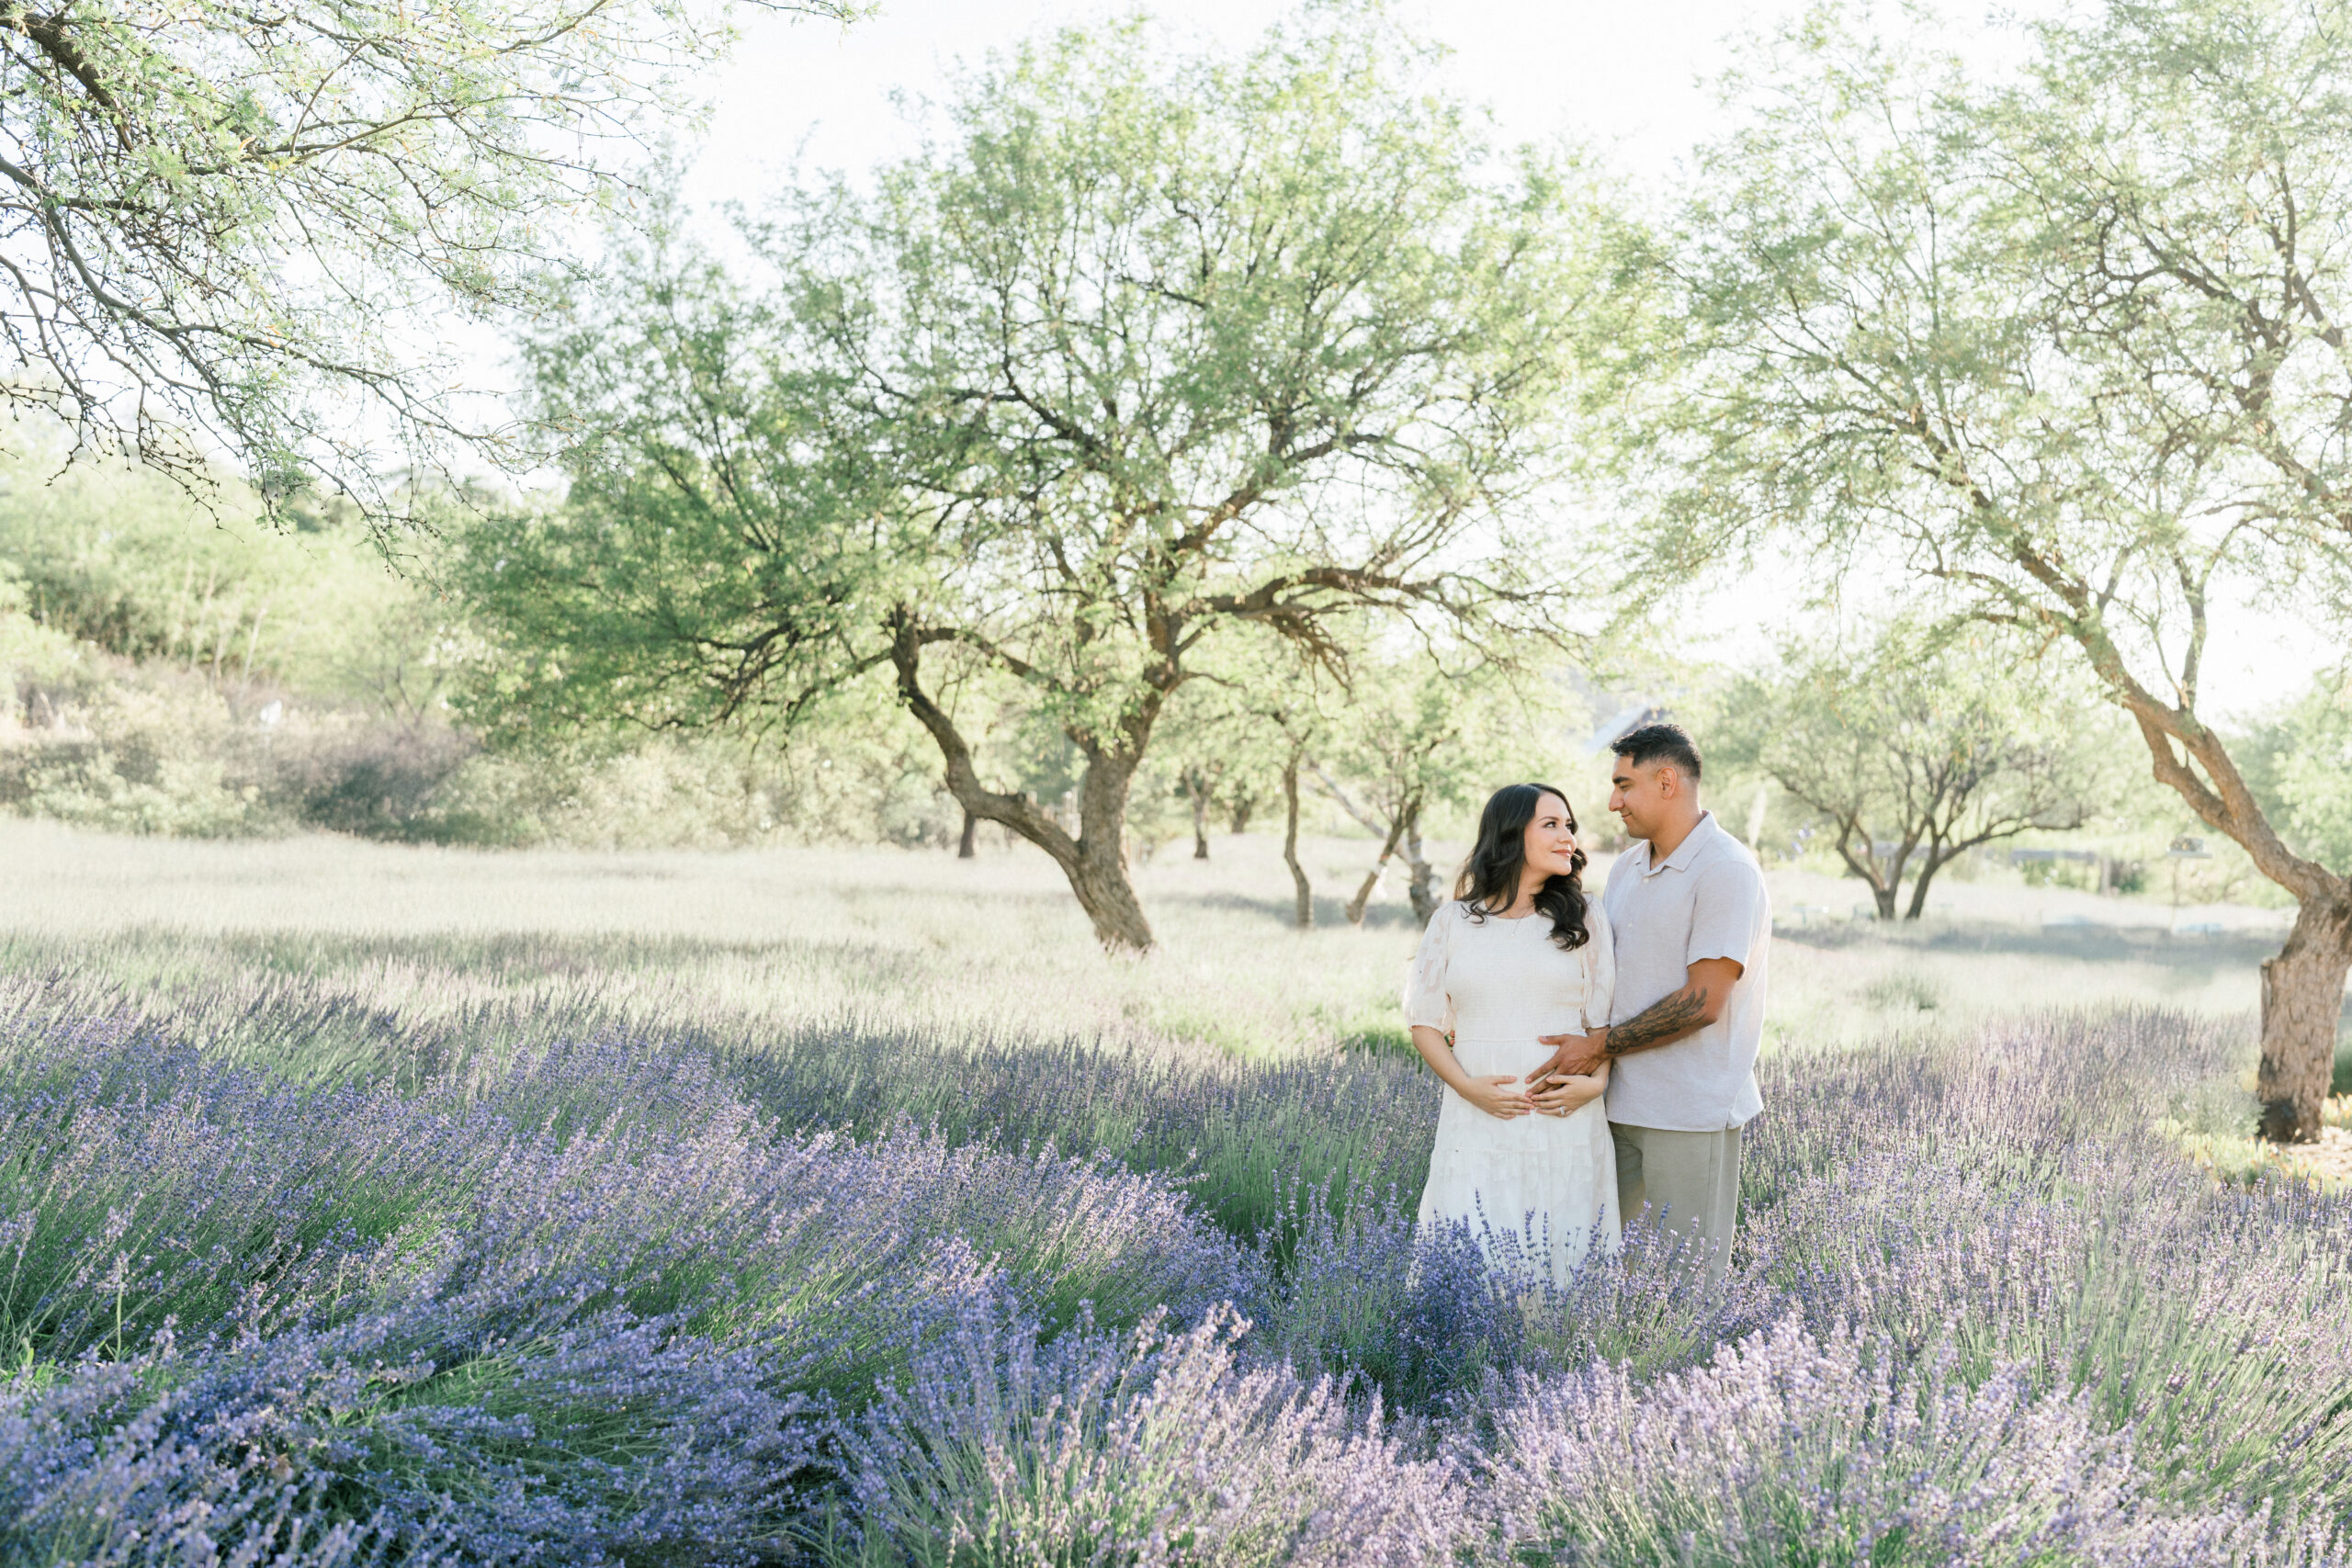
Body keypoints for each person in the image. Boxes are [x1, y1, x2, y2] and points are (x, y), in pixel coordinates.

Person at [1532, 722, 1770, 1285]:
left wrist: (1599, 1045)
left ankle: (1695, 1378)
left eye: (1624, 785)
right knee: (1614, 1280)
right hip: (1615, 1107)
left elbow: (1702, 1002)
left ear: (1667, 781)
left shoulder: (1725, 870)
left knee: (1687, 1288)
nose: (1613, 802)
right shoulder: (1628, 870)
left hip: (1689, 1114)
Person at [1401, 783, 1617, 1286]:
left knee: (1562, 1260)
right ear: (1510, 834)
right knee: (1473, 1258)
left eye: (1569, 826)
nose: (1568, 837)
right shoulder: (1453, 921)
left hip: (1562, 1116)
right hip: (1476, 1120)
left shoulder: (1585, 919)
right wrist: (1467, 1086)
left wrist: (1598, 1082)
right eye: (1551, 825)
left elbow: (1603, 1021)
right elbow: (1425, 1023)